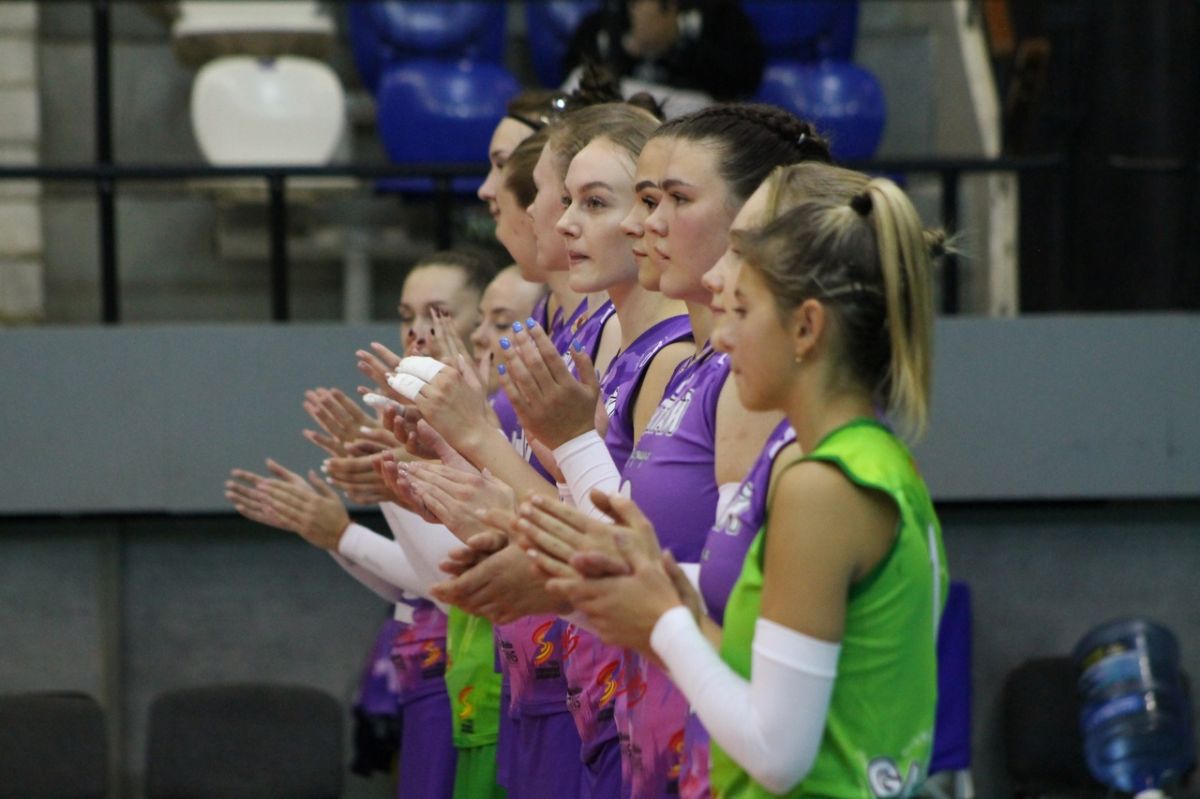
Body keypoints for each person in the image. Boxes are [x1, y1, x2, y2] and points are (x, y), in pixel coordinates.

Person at [524, 176, 950, 797]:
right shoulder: (859, 459)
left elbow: (777, 753)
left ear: (806, 328)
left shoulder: (824, 487)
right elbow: (754, 645)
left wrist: (661, 619)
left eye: (743, 312)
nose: (722, 338)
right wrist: (645, 579)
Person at [563, 0, 765, 103]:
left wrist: (675, 41)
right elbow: (575, 63)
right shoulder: (613, 11)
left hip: (688, 100)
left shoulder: (715, 10)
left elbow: (746, 76)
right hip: (623, 97)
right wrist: (629, 49)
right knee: (579, 78)